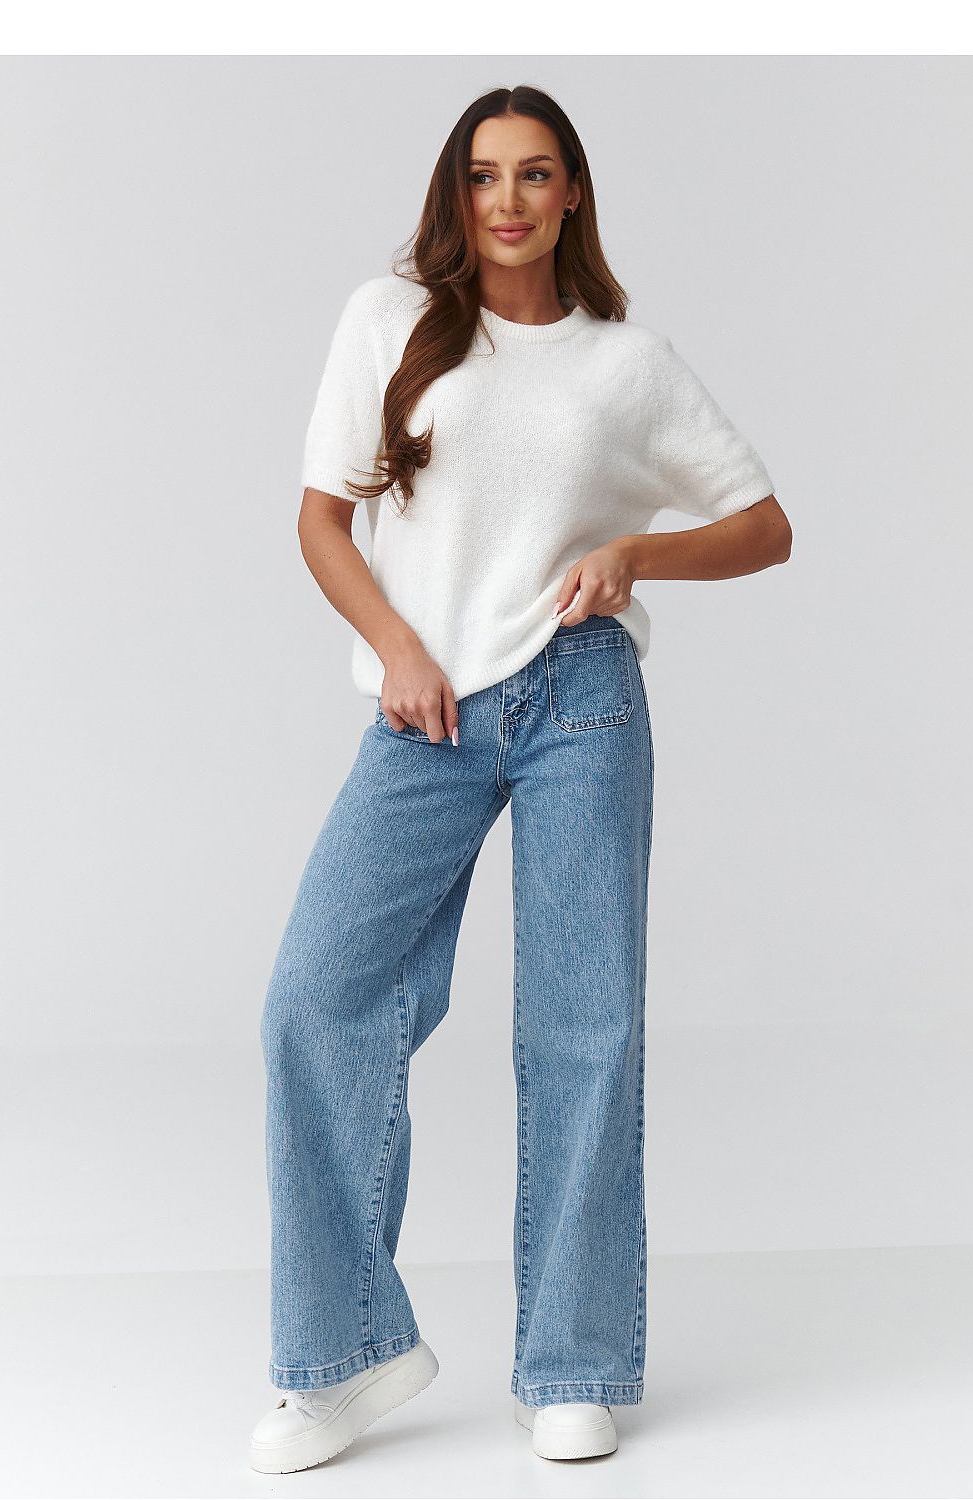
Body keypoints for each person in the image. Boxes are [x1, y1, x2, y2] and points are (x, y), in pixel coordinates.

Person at [249, 83, 792, 1474]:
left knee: (584, 1028)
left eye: (535, 175)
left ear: (570, 196)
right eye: (484, 176)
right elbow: (321, 523)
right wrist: (397, 646)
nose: (507, 200)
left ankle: (574, 1359)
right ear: (456, 194)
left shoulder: (626, 362)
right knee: (316, 999)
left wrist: (636, 556)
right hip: (424, 711)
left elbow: (764, 524)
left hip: (580, 700)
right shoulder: (388, 325)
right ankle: (343, 1356)